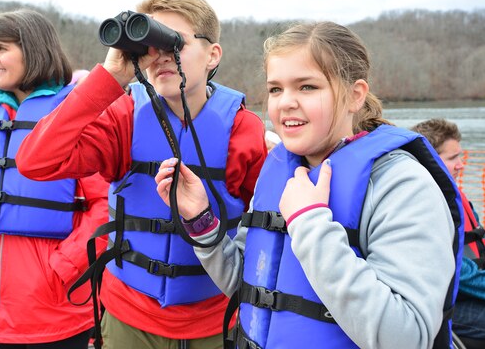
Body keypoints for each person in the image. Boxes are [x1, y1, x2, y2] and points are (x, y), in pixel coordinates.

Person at [154, 21, 464, 349]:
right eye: (276, 89)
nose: (285, 102)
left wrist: (309, 223)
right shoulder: (278, 171)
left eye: (307, 87)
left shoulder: (401, 185)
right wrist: (201, 219)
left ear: (355, 96)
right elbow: (248, 285)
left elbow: (406, 338)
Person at [16, 0, 267, 348]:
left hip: (215, 319)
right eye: (151, 43)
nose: (161, 55)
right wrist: (110, 76)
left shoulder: (243, 129)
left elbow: (264, 233)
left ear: (213, 55)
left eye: (173, 42)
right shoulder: (124, 118)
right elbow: (34, 162)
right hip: (128, 315)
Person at [0, 8, 109, 347]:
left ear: (33, 50)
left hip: (53, 307)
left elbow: (106, 204)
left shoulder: (77, 116)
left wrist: (64, 266)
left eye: (2, 48)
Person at [411, 118, 485, 342]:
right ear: (430, 161)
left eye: (460, 156)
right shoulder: (421, 204)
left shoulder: (454, 197)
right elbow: (460, 273)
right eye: (453, 158)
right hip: (446, 303)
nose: (462, 164)